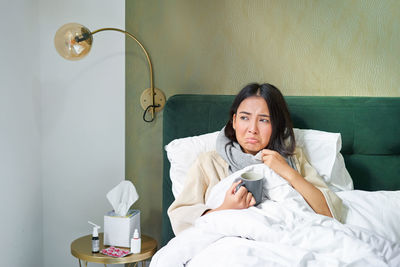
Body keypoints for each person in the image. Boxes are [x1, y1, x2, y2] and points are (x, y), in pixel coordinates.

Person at [168, 83, 343, 235]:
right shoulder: (209, 163)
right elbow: (180, 217)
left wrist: (287, 172)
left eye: (264, 120)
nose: (252, 129)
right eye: (244, 118)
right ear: (234, 121)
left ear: (277, 125)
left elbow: (328, 212)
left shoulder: (293, 157)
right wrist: (224, 209)